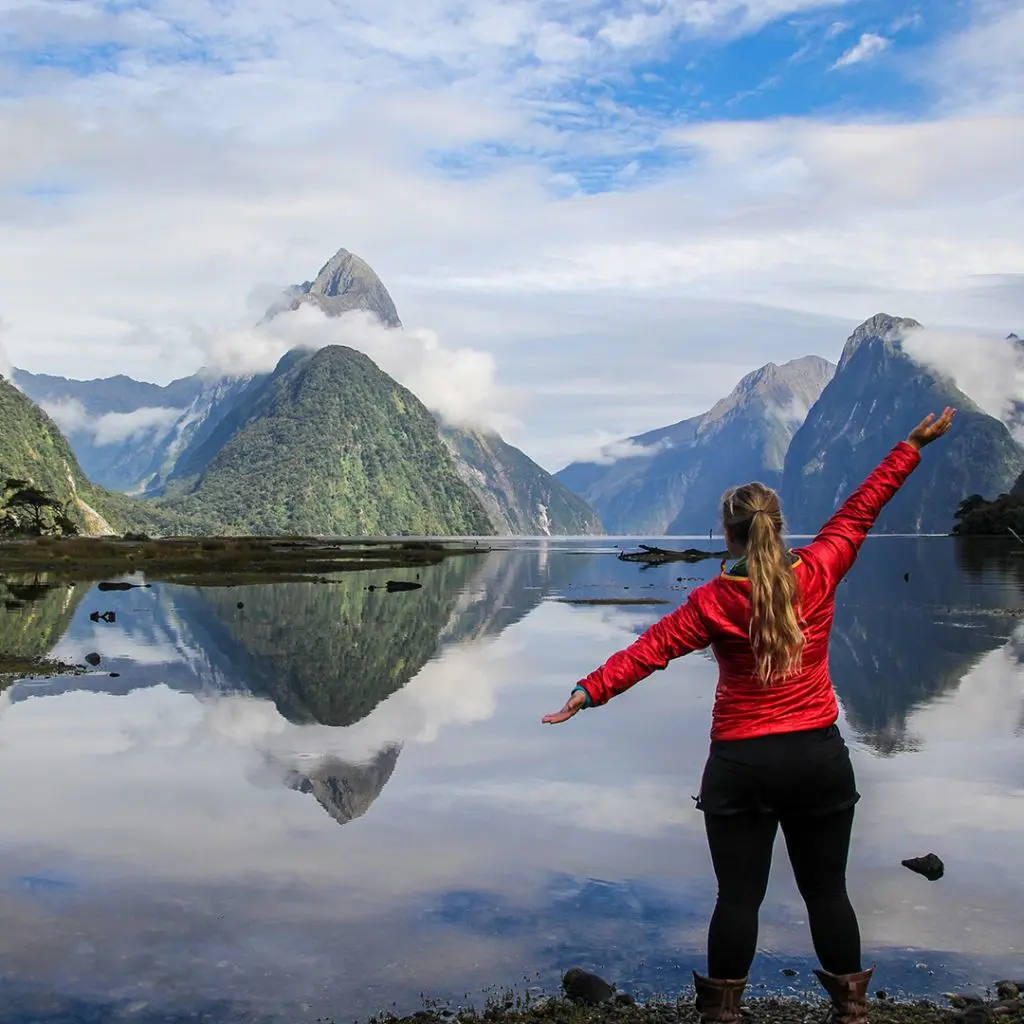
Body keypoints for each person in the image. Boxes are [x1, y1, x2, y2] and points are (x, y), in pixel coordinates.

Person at [542, 408, 957, 1024]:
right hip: (817, 757)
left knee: (737, 898)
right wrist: (912, 444)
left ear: (728, 534)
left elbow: (647, 651)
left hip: (740, 763)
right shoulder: (819, 570)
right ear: (780, 527)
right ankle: (851, 1010)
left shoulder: (713, 601)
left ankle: (723, 1017)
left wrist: (587, 692)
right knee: (828, 894)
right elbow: (864, 506)